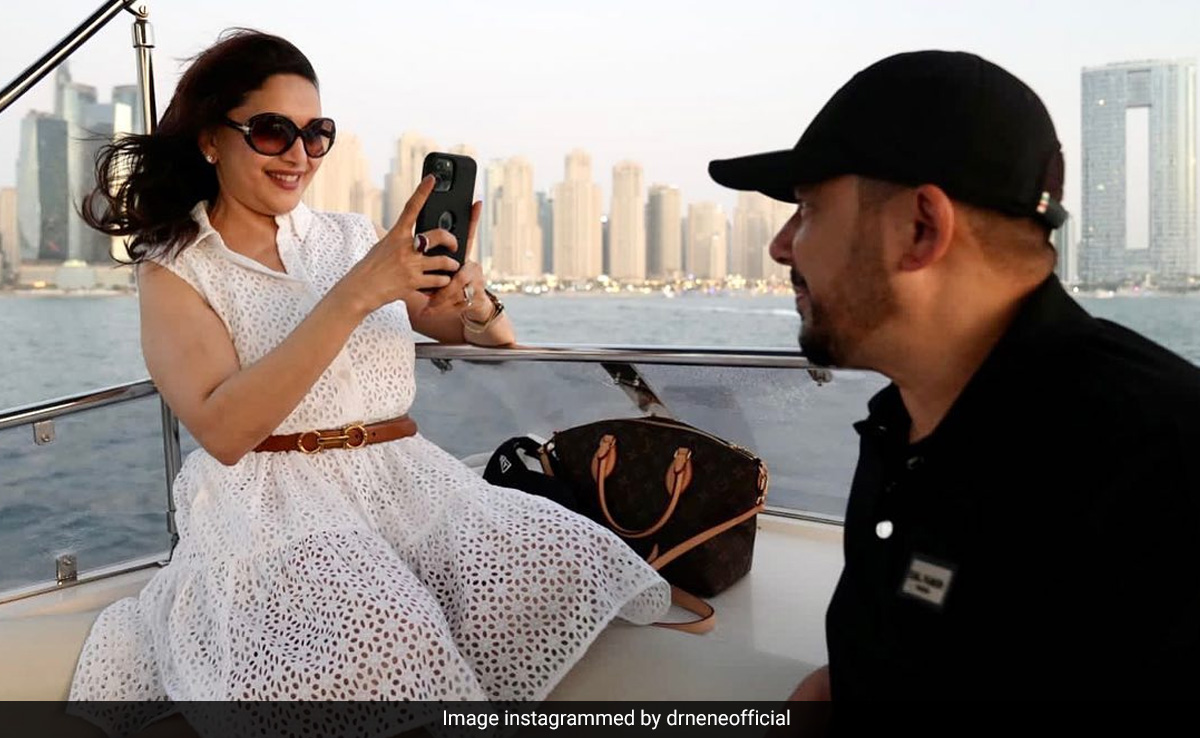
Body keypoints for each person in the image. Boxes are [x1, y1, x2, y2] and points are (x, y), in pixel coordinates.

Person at [67, 29, 669, 735]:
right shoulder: (178, 267)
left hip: (405, 477)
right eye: (272, 132)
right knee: (387, 633)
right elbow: (224, 432)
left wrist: (472, 297)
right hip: (277, 500)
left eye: (316, 133)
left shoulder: (351, 238)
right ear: (211, 139)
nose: (300, 155)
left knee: (567, 561)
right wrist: (353, 296)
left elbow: (475, 335)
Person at [709, 50, 1200, 702]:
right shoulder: (899, 425)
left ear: (920, 228)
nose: (781, 245)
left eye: (809, 208)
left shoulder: (1165, 474)